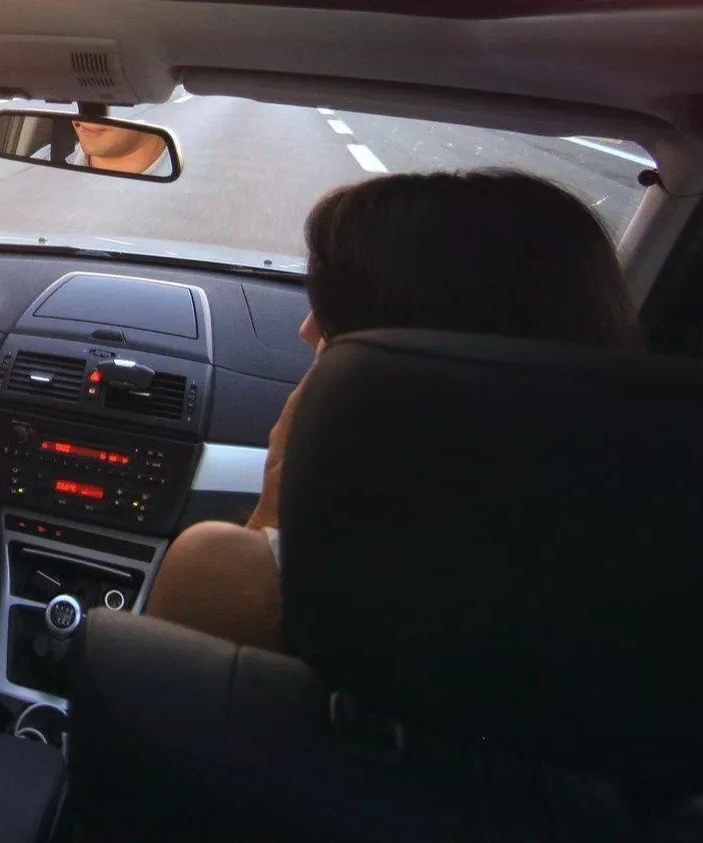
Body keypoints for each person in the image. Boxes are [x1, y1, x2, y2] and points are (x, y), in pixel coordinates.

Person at [144, 169, 638, 650]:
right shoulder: (639, 551)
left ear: (432, 348)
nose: (308, 330)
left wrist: (277, 513)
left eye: (339, 317)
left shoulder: (248, 579)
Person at [31, 120, 174, 177]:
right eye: (76, 91)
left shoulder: (185, 190)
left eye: (110, 94)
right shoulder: (42, 162)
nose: (87, 110)